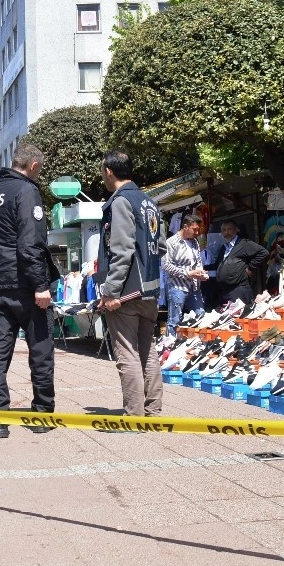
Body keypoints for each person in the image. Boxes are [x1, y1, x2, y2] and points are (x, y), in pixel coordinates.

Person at [0, 143, 60, 438]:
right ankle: (41, 413)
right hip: (24, 285)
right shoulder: (27, 192)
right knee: (40, 349)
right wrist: (41, 285)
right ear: (34, 166)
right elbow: (30, 243)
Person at [97, 150, 166, 418]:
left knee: (126, 352)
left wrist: (110, 290)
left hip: (126, 292)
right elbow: (160, 246)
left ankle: (134, 414)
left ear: (109, 171)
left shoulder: (121, 202)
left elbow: (122, 250)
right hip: (150, 288)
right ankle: (153, 410)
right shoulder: (149, 202)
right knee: (148, 352)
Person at [162, 213, 207, 335]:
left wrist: (201, 273)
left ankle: (200, 346)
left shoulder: (194, 242)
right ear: (185, 227)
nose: (197, 233)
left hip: (194, 288)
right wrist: (188, 273)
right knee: (174, 320)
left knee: (201, 316)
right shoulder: (171, 242)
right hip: (178, 287)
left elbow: (197, 260)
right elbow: (166, 265)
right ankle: (169, 346)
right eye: (195, 229)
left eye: (198, 230)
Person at [213, 220, 269, 308]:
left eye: (229, 229)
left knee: (239, 318)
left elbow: (264, 253)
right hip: (224, 291)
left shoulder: (243, 244)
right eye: (223, 230)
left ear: (236, 230)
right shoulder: (223, 248)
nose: (226, 232)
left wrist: (250, 267)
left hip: (238, 289)